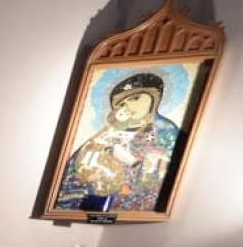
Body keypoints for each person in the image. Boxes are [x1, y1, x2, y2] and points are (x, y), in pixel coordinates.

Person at [54, 70, 181, 213]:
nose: (128, 107)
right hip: (96, 196)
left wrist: (132, 162)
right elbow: (76, 166)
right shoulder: (109, 131)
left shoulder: (165, 130)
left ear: (155, 98)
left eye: (136, 98)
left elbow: (164, 172)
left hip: (133, 202)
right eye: (121, 104)